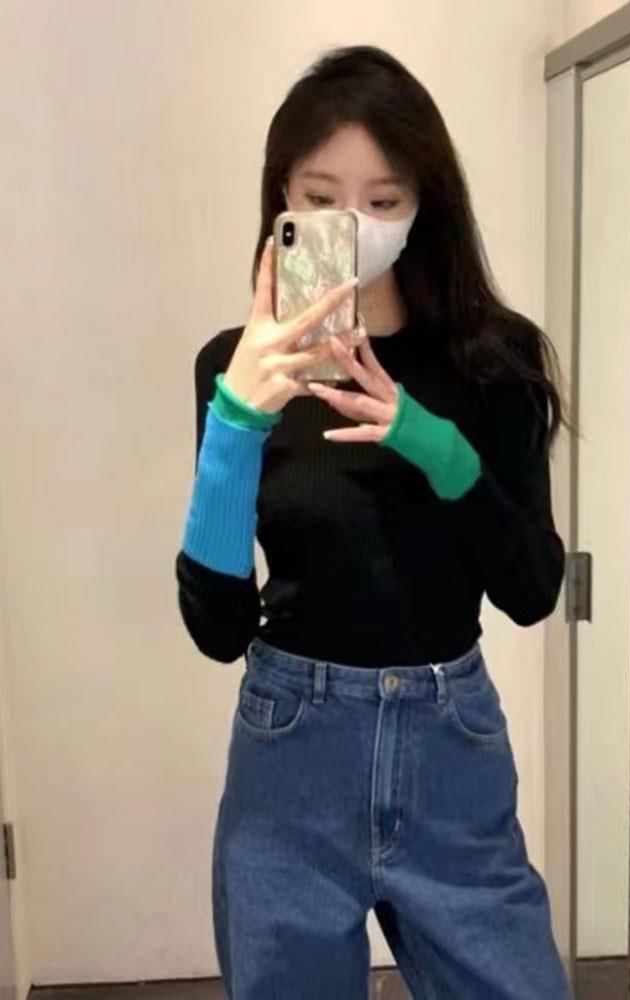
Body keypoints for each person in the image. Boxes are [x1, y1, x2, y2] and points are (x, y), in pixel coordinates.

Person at [175, 44, 573, 1000]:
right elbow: (218, 629)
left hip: (450, 744)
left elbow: (531, 591)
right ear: (281, 197)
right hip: (291, 746)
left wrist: (437, 448)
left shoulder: (495, 361)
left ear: (424, 204)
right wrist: (235, 426)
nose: (351, 225)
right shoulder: (234, 368)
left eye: (382, 200)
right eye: (321, 198)